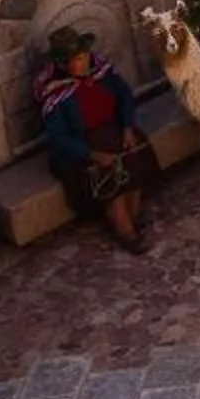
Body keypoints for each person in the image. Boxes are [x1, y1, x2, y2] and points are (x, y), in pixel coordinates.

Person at [36, 26, 153, 255]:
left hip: (113, 130)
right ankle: (126, 230)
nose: (75, 65)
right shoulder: (54, 91)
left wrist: (128, 127)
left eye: (79, 59)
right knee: (105, 171)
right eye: (68, 61)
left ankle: (134, 213)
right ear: (60, 63)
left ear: (87, 54)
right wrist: (92, 154)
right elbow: (59, 137)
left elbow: (124, 95)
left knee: (135, 151)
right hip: (80, 145)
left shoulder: (102, 71)